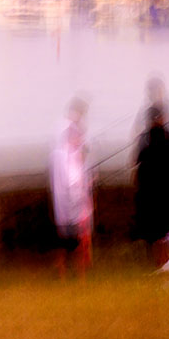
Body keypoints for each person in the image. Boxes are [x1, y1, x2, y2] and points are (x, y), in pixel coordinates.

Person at [132, 106, 169, 266]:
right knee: (164, 228)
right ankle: (167, 261)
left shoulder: (145, 139)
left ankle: (165, 261)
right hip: (162, 190)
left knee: (160, 230)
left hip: (158, 191)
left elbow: (137, 166)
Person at [49, 97, 98, 277]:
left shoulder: (76, 133)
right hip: (69, 194)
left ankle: (80, 271)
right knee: (68, 234)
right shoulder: (64, 134)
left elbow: (84, 160)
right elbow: (69, 167)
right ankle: (65, 271)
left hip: (76, 193)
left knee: (76, 233)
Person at [131, 75, 169, 158]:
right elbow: (137, 131)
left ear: (162, 89)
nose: (150, 94)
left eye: (154, 89)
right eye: (149, 90)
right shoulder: (144, 111)